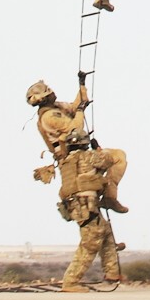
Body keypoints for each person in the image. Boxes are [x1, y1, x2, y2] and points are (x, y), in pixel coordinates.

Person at [26, 79, 128, 212]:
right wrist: (80, 111)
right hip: (74, 156)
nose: (52, 92)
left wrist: (82, 85)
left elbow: (76, 106)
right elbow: (75, 127)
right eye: (48, 92)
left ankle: (108, 196)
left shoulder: (56, 108)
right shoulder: (49, 117)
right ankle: (109, 197)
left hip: (80, 152)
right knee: (118, 157)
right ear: (44, 98)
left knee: (118, 156)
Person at [51, 147, 124, 292]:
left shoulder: (66, 161)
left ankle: (112, 273)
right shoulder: (87, 156)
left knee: (105, 231)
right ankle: (71, 282)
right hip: (86, 205)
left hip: (78, 206)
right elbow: (109, 160)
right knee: (91, 243)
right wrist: (98, 149)